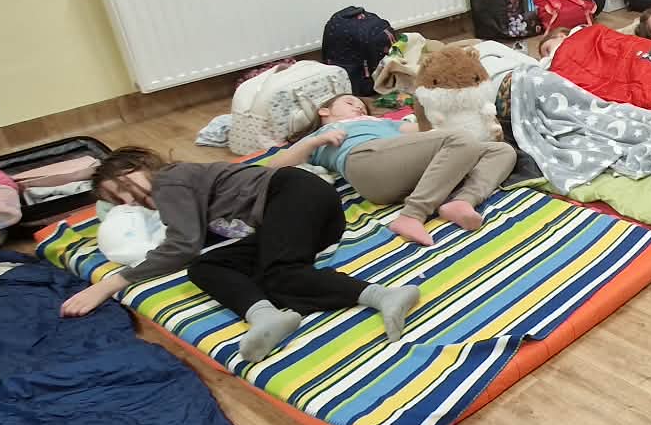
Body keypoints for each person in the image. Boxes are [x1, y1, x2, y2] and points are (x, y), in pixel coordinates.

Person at [59, 148, 421, 362]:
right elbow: (195, 246)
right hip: (299, 214)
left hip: (294, 193)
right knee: (207, 267)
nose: (128, 200)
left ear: (142, 166)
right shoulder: (179, 194)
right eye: (117, 199)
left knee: (281, 273)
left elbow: (182, 245)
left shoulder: (169, 180)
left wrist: (111, 283)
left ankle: (383, 295)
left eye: (125, 186)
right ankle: (264, 316)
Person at [271, 93, 516, 245]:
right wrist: (316, 141)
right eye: (349, 102)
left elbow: (426, 133)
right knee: (460, 139)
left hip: (405, 175)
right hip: (367, 162)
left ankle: (462, 202)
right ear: (324, 111)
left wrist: (424, 106)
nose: (359, 107)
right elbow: (274, 166)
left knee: (502, 151)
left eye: (362, 106)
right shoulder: (323, 133)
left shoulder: (384, 122)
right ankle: (412, 215)